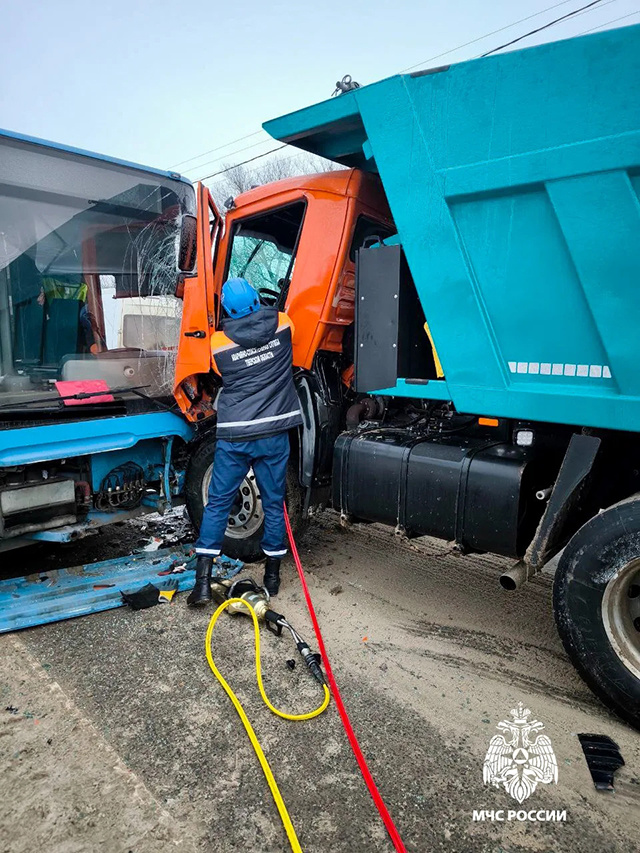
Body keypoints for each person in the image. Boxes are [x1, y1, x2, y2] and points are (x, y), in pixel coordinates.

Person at [187, 277, 303, 606]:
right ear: (256, 298)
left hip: (235, 436)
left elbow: (216, 376)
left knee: (219, 504)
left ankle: (202, 585)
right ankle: (272, 577)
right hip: (272, 435)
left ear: (228, 309)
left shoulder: (218, 343)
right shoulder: (283, 324)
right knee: (274, 501)